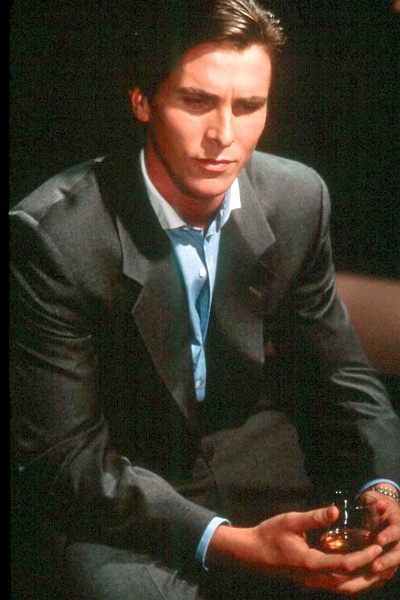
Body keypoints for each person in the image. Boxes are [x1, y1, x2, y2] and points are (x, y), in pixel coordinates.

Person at [10, 1, 400, 598]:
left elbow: (342, 375)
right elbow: (66, 457)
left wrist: (386, 488)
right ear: (142, 102)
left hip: (260, 464)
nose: (224, 136)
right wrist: (231, 542)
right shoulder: (55, 237)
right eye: (197, 102)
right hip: (121, 495)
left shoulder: (298, 198)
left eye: (248, 107)